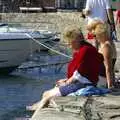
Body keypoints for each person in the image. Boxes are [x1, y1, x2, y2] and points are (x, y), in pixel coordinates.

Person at [27, 27, 103, 116]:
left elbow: (80, 72)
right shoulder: (84, 49)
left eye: (70, 43)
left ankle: (33, 116)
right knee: (46, 93)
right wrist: (66, 79)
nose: (69, 45)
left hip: (83, 84)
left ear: (75, 41)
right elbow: (81, 71)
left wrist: (66, 82)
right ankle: (36, 109)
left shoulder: (85, 50)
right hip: (81, 81)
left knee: (48, 96)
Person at [87, 19, 117, 88]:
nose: (95, 38)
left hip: (101, 80)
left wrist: (110, 86)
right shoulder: (107, 43)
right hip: (101, 77)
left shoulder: (106, 46)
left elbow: (108, 68)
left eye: (95, 36)